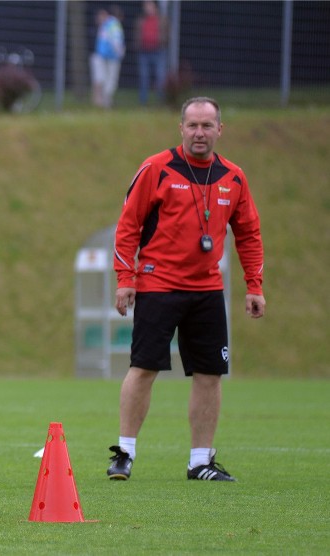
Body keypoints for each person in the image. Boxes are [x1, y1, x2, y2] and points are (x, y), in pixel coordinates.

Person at [108, 97, 265, 482]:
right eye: (193, 125)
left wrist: (254, 286)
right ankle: (124, 454)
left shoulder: (234, 177)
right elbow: (127, 227)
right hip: (158, 285)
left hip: (208, 290)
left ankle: (200, 462)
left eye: (207, 126)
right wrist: (126, 280)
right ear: (181, 128)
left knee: (210, 374)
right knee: (144, 368)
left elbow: (249, 234)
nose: (199, 133)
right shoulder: (156, 169)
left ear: (219, 130)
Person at [90, 6, 125, 109]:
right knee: (111, 80)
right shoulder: (115, 24)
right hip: (112, 57)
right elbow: (116, 41)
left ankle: (102, 102)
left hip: (101, 55)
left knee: (102, 79)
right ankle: (106, 102)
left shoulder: (105, 24)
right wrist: (121, 52)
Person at [134, 0, 168, 105]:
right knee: (144, 77)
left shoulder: (162, 20)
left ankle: (160, 101)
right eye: (146, 5)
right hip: (144, 52)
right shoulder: (141, 20)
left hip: (158, 51)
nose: (147, 8)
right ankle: (143, 102)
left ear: (155, 7)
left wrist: (162, 41)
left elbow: (167, 35)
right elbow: (136, 34)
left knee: (160, 77)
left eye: (149, 5)